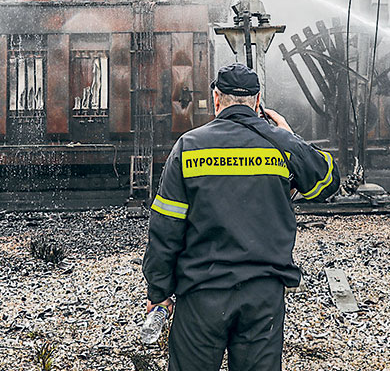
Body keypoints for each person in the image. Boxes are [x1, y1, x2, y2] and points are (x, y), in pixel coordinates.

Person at [142, 62, 340, 371]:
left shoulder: (189, 147)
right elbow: (327, 181)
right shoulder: (281, 144)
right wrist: (291, 138)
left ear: (216, 98)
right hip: (263, 296)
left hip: (201, 294)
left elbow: (166, 227)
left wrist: (159, 291)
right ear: (258, 101)